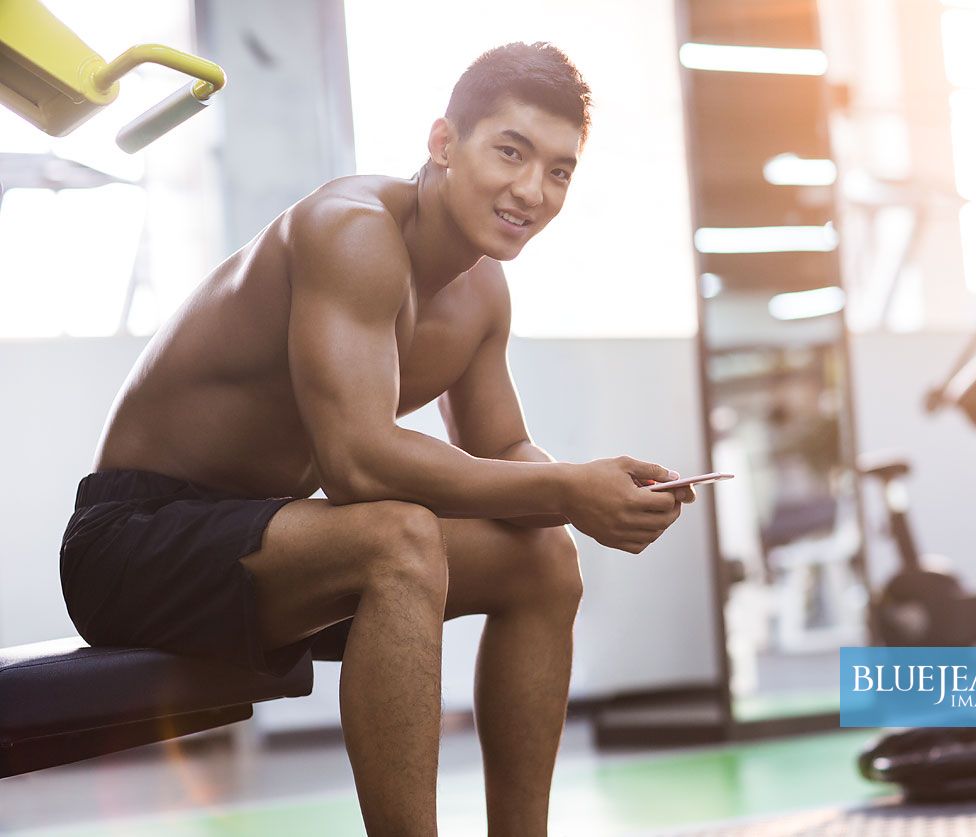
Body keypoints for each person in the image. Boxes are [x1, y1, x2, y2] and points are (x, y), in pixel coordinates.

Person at [59, 42, 694, 836]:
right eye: (510, 151)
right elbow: (358, 464)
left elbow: (503, 448)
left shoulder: (482, 292)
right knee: (397, 537)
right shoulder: (351, 231)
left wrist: (592, 485)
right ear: (442, 144)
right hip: (132, 545)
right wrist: (565, 488)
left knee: (545, 558)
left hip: (268, 538)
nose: (532, 190)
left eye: (558, 171)